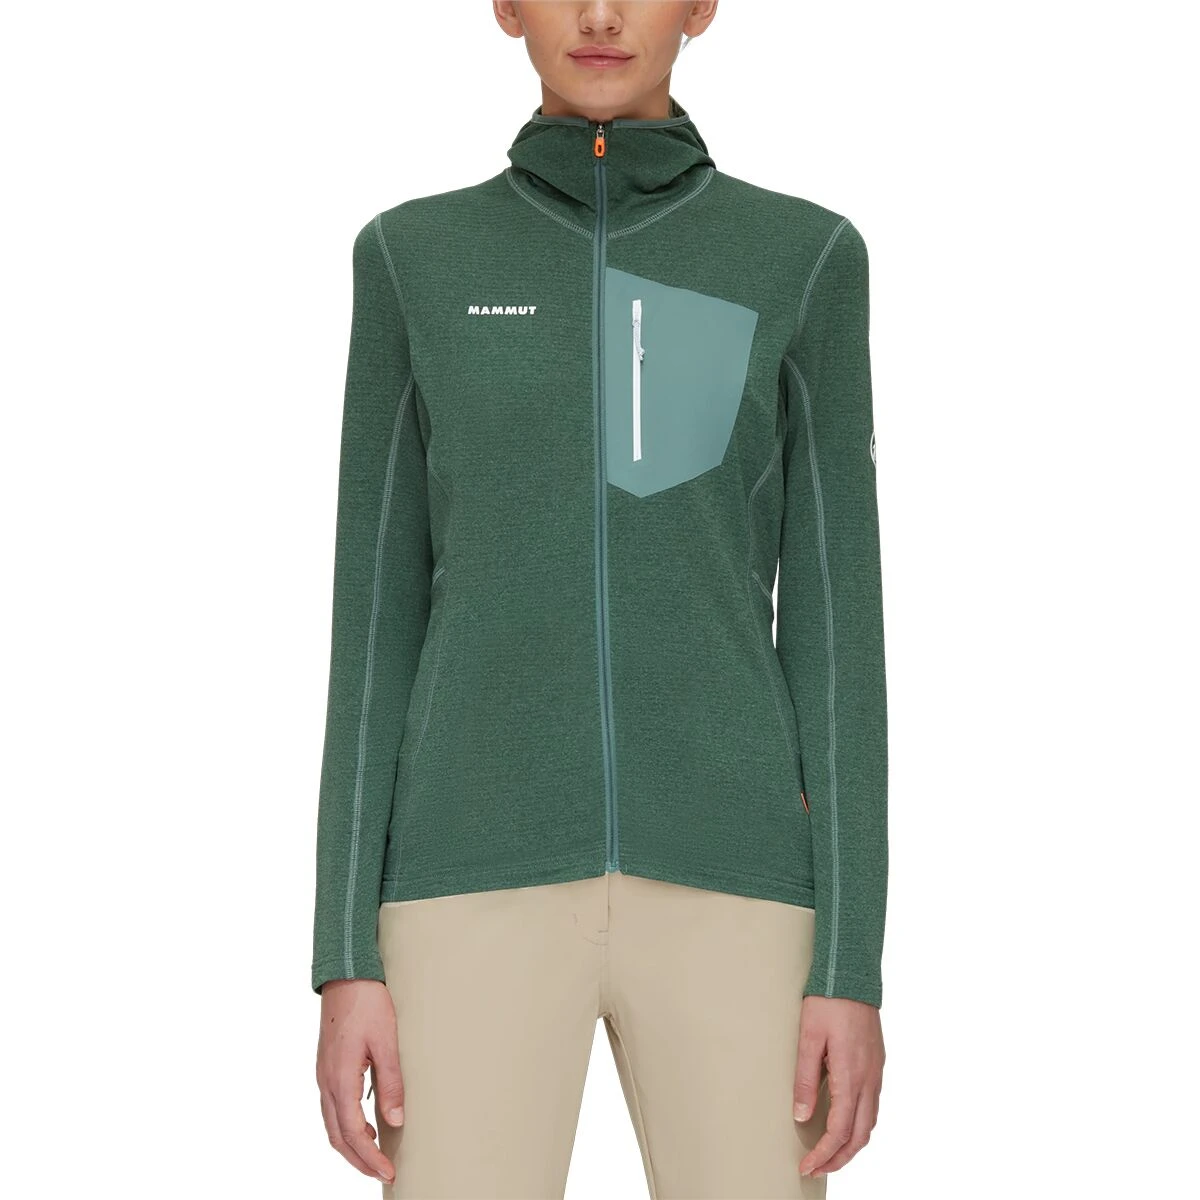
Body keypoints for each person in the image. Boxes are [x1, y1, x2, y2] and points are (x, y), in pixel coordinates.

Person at [312, 2, 888, 1196]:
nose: (602, 14)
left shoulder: (800, 256)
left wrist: (849, 964)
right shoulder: (415, 258)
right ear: (504, 6)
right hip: (465, 879)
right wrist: (342, 954)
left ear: (702, 6)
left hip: (737, 886)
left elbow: (839, 632)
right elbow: (372, 626)